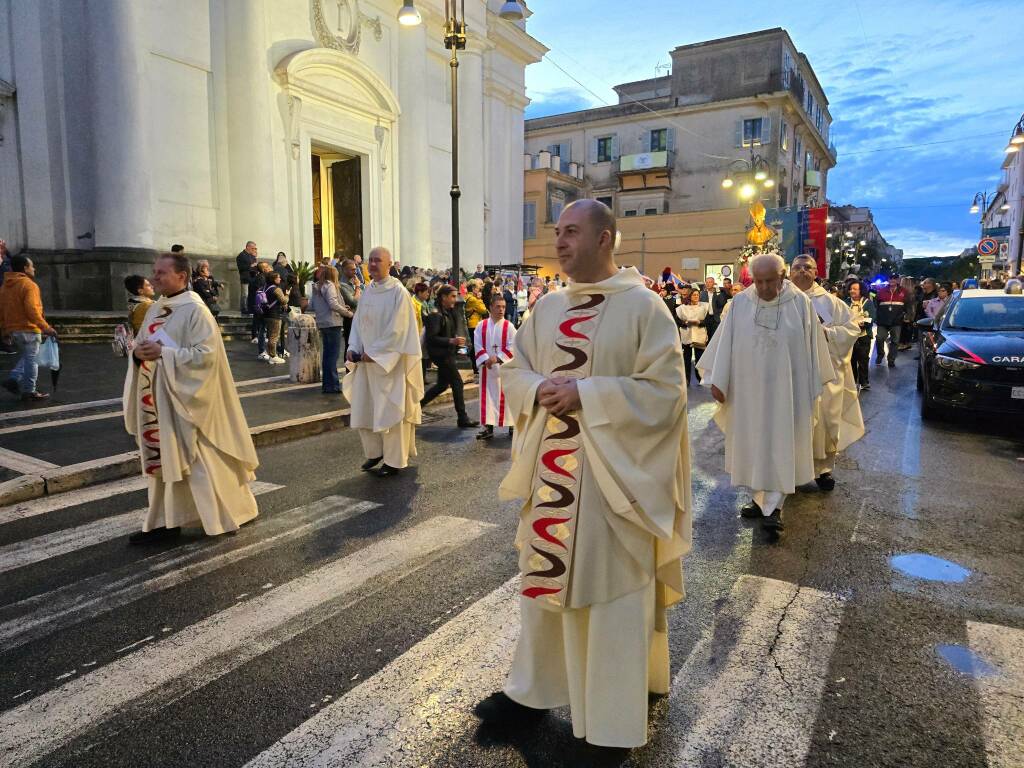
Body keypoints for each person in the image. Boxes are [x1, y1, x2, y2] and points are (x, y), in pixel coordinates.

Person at [476, 200, 691, 749]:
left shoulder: (646, 309)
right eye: (558, 232)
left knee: (609, 594)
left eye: (572, 231)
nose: (561, 241)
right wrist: (538, 389)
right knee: (545, 580)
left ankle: (611, 727)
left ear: (605, 239)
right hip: (553, 477)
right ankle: (532, 691)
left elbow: (666, 395)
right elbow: (515, 368)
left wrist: (587, 394)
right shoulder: (546, 309)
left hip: (613, 485)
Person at [123, 252, 259, 543]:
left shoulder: (197, 311)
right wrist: (137, 354)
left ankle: (222, 516)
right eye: (154, 272)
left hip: (185, 402)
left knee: (197, 463)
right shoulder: (155, 308)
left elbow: (207, 358)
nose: (154, 277)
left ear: (182, 277)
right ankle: (164, 522)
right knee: (163, 464)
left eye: (161, 273)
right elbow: (144, 344)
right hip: (156, 399)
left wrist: (165, 354)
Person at [697, 253, 834, 538]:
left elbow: (812, 349)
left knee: (781, 445)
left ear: (782, 277)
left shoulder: (800, 304)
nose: (763, 288)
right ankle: (760, 500)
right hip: (748, 392)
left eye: (769, 281)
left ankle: (774, 509)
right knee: (754, 445)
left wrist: (811, 386)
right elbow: (726, 344)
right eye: (758, 281)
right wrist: (718, 380)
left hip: (788, 392)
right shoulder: (741, 304)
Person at [343, 247, 424, 477]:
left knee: (391, 410)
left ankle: (394, 461)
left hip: (389, 365)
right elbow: (358, 324)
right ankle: (375, 452)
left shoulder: (398, 292)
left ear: (389, 265)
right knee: (366, 407)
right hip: (366, 364)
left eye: (378, 260)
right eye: (370, 260)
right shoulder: (368, 290)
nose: (373, 264)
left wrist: (376, 353)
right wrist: (353, 348)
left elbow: (399, 330)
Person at [789, 255, 865, 491]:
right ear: (789, 272)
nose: (802, 272)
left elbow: (852, 330)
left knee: (825, 421)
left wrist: (827, 334)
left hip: (825, 373)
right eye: (797, 268)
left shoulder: (831, 303)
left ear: (816, 271)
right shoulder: (781, 300)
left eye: (807, 268)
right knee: (793, 423)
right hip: (791, 374)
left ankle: (823, 470)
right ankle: (790, 471)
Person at [0, 256, 58, 401]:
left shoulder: (5, 286)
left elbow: (1, 310)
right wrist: (46, 327)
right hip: (29, 329)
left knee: (29, 357)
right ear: (25, 268)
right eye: (32, 266)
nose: (34, 268)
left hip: (14, 330)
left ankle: (13, 378)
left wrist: (4, 331)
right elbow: (32, 310)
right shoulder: (29, 285)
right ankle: (29, 390)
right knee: (32, 361)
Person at [421, 285, 479, 429]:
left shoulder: (446, 312)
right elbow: (431, 338)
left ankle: (416, 406)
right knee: (457, 383)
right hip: (441, 355)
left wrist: (455, 341)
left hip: (446, 353)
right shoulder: (436, 314)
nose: (455, 299)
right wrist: (451, 341)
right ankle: (462, 418)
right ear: (443, 297)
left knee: (441, 385)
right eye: (452, 296)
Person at [473, 294, 516, 440]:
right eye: (498, 306)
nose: (501, 310)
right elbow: (477, 343)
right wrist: (486, 359)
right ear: (490, 307)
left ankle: (512, 426)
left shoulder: (509, 326)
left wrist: (497, 358)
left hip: (505, 370)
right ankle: (488, 427)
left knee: (509, 397)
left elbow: (513, 346)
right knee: (488, 398)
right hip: (487, 370)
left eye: (503, 307)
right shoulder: (481, 325)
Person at [310, 265, 353, 394]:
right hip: (333, 322)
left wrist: (340, 305)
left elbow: (313, 305)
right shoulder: (330, 285)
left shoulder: (317, 286)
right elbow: (333, 304)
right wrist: (347, 313)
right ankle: (333, 385)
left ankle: (327, 384)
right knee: (333, 356)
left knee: (327, 355)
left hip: (322, 322)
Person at [845, 281, 875, 391]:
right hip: (849, 336)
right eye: (850, 289)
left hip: (863, 336)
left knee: (863, 359)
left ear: (861, 290)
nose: (852, 291)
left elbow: (871, 317)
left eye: (855, 289)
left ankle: (864, 381)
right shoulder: (846, 302)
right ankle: (852, 381)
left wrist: (861, 324)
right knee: (850, 360)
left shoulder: (868, 303)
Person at [677, 288, 709, 386]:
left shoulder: (705, 306)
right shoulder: (682, 308)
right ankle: (686, 380)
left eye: (697, 295)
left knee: (700, 358)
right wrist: (685, 322)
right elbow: (677, 321)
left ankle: (701, 378)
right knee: (686, 358)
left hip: (699, 334)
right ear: (690, 296)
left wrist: (700, 322)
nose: (696, 296)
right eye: (694, 295)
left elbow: (708, 321)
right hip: (687, 334)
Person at [874, 275, 906, 368]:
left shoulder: (904, 292)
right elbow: (876, 305)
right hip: (883, 320)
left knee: (895, 341)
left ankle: (891, 359)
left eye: (895, 278)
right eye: (891, 278)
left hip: (897, 321)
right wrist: (877, 317)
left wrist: (907, 316)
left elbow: (908, 304)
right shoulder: (881, 291)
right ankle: (880, 354)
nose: (892, 280)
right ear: (888, 280)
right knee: (879, 338)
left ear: (898, 280)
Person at [261, 271, 289, 365]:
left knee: (270, 336)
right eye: (278, 277)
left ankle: (271, 354)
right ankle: (273, 356)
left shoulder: (265, 287)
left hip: (266, 314)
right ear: (274, 279)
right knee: (274, 336)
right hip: (275, 315)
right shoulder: (276, 289)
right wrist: (287, 294)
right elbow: (283, 301)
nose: (280, 279)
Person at [464, 279, 487, 375]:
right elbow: (483, 310)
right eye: (478, 288)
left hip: (472, 324)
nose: (479, 290)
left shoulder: (467, 297)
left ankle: (475, 365)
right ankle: (475, 366)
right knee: (475, 346)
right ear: (473, 288)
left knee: (473, 346)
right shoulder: (473, 299)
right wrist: (480, 299)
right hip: (474, 324)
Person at [338, 258, 361, 346]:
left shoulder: (352, 283)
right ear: (344, 270)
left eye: (355, 269)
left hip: (357, 317)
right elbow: (354, 302)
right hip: (349, 319)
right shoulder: (342, 285)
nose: (355, 272)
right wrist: (358, 287)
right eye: (352, 269)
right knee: (350, 345)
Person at [236, 241, 257, 315]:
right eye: (253, 248)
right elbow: (241, 267)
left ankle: (250, 308)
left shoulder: (252, 256)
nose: (254, 249)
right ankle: (244, 308)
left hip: (252, 278)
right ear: (248, 247)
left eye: (255, 248)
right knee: (245, 294)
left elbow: (255, 265)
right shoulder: (241, 256)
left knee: (251, 294)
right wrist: (251, 266)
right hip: (245, 277)